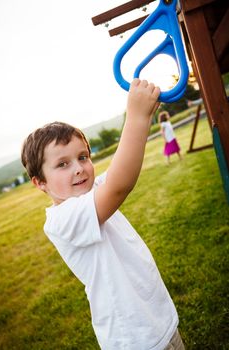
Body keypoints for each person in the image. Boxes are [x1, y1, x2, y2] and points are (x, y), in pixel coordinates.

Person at [21, 79, 185, 350]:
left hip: (155, 319)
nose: (79, 168)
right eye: (62, 164)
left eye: (83, 157)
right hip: (135, 338)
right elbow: (120, 186)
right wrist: (136, 117)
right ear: (40, 183)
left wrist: (145, 116)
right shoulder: (63, 220)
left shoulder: (90, 191)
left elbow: (123, 166)